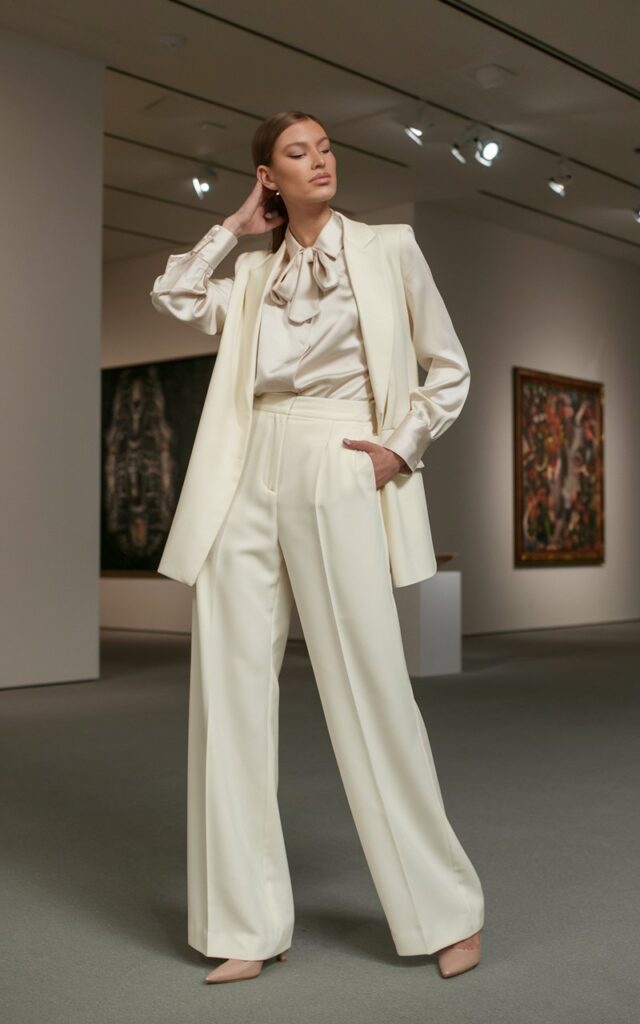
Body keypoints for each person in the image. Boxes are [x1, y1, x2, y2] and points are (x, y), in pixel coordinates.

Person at [150, 110, 484, 984]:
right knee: (228, 698)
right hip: (243, 468)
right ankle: (246, 924)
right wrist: (233, 227)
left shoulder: (388, 249)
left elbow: (449, 367)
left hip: (340, 457)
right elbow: (176, 296)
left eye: (326, 147)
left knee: (370, 688)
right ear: (270, 176)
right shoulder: (254, 275)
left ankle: (446, 911)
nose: (321, 160)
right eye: (298, 153)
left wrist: (399, 448)